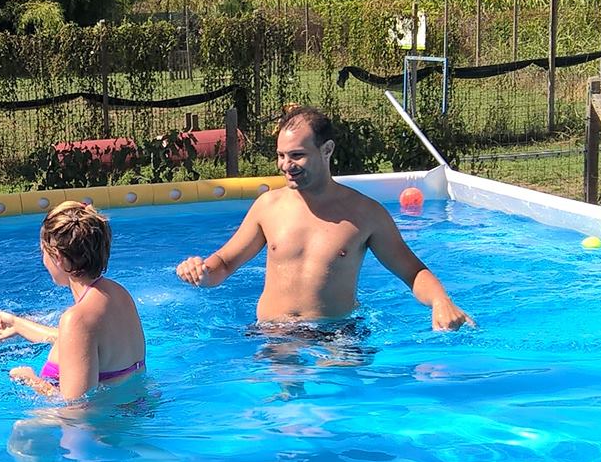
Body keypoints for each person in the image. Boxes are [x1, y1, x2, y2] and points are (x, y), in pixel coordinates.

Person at [176, 105, 475, 331]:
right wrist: (202, 272)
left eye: (297, 155)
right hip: (273, 333)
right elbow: (225, 263)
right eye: (281, 155)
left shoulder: (365, 214)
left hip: (337, 334)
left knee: (342, 392)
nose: (286, 165)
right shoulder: (268, 207)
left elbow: (413, 271)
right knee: (280, 393)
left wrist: (441, 301)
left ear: (327, 150)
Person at [0, 201, 146, 401]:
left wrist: (30, 379)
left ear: (58, 258)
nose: (43, 261)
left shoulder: (78, 319)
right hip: (135, 411)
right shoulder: (118, 294)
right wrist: (17, 324)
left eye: (43, 253)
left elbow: (76, 409)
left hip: (104, 421)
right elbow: (74, 342)